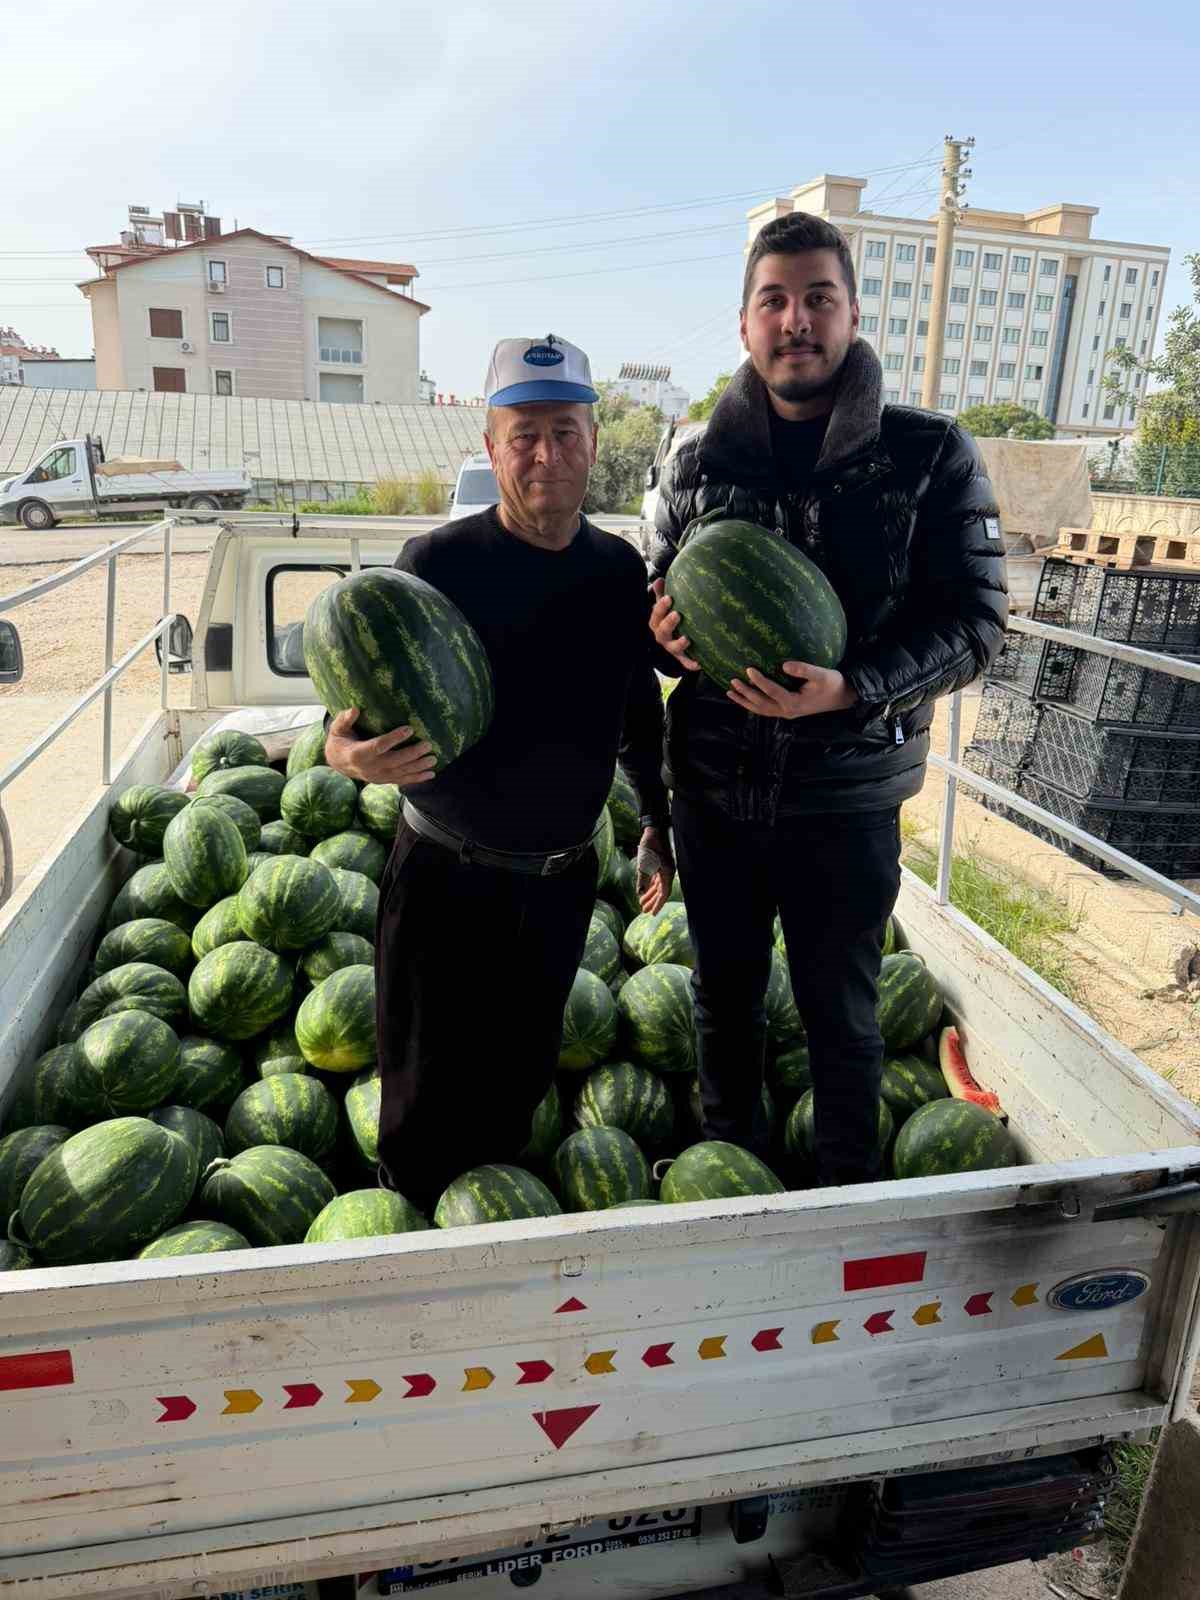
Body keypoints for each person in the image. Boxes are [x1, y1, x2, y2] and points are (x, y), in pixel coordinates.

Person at [647, 212, 1008, 1186]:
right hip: (714, 789)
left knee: (839, 1009)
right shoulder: (694, 461)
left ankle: (841, 1196)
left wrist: (855, 689)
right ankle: (729, 1174)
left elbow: (978, 624)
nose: (795, 319)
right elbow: (660, 597)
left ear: (851, 314)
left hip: (846, 795)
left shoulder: (929, 453)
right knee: (722, 996)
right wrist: (665, 639)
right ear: (744, 323)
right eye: (775, 299)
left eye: (818, 298)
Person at [325, 334, 673, 1207]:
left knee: (517, 1086)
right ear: (490, 447)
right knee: (419, 1092)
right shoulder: (435, 566)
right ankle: (408, 1229)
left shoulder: (617, 570)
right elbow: (342, 726)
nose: (546, 453)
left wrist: (660, 826)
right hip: (445, 879)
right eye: (524, 435)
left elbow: (639, 717)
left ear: (595, 442)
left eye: (565, 430)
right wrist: (347, 758)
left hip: (560, 886)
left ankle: (493, 1231)